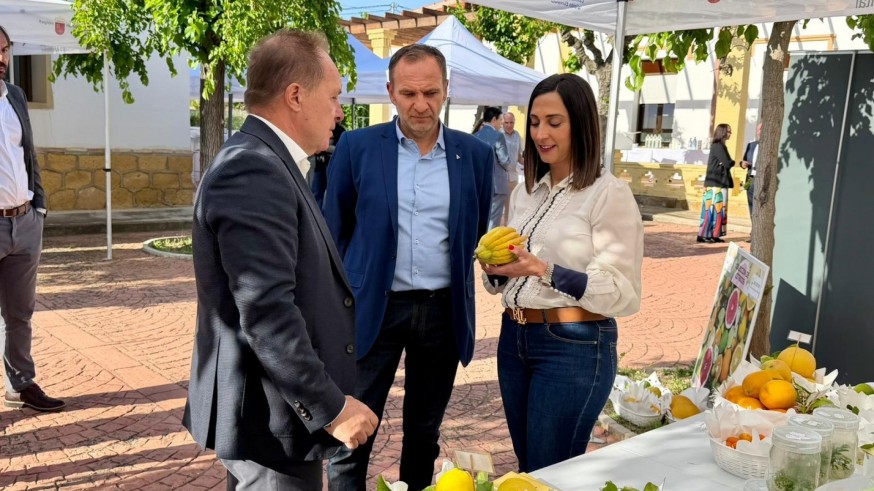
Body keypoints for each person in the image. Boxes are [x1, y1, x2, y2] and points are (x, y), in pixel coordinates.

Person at [182, 30, 378, 490]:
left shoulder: (268, 160)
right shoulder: (253, 168)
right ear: (295, 96)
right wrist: (330, 406)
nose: (340, 111)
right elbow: (267, 312)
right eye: (332, 96)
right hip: (271, 420)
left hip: (276, 416)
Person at [322, 44, 493, 490]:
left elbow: (473, 231)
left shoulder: (473, 155)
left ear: (446, 91)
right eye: (409, 93)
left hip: (441, 312)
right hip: (372, 310)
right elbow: (332, 232)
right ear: (391, 93)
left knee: (423, 434)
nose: (421, 104)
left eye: (431, 92)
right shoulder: (357, 148)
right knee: (351, 434)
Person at [480, 73, 643, 473]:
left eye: (555, 122)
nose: (540, 133)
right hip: (514, 338)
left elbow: (621, 292)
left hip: (572, 345)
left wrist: (543, 268)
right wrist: (496, 269)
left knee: (549, 472)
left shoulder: (608, 193)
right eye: (534, 121)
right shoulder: (526, 192)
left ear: (581, 123)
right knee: (531, 470)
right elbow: (513, 273)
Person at [0, 25, 65, 413]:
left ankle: (20, 383)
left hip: (24, 223)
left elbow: (29, 157)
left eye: (5, 49)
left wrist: (38, 206)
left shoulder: (17, 97)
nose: (2, 58)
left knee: (19, 314)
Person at [697, 123, 735, 243]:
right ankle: (704, 234)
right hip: (715, 183)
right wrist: (731, 162)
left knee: (719, 209)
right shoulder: (718, 146)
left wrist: (726, 163)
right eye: (728, 131)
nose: (730, 134)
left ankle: (714, 233)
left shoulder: (720, 146)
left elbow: (725, 163)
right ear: (722, 132)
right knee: (712, 208)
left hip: (718, 182)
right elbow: (728, 163)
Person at [474, 106, 511, 230]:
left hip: (478, 184)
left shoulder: (474, 136)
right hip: (496, 184)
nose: (501, 123)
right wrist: (507, 166)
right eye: (501, 120)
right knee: (493, 221)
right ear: (494, 119)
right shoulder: (498, 137)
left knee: (479, 218)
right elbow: (504, 160)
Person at [501, 112, 524, 224]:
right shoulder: (498, 135)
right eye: (506, 122)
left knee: (510, 208)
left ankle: (507, 232)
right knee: (496, 209)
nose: (509, 125)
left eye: (511, 122)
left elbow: (519, 157)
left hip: (513, 178)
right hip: (499, 177)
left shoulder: (517, 136)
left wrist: (530, 165)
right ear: (502, 122)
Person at [740, 121, 761, 218]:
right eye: (757, 129)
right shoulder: (751, 145)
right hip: (750, 178)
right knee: (751, 204)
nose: (758, 132)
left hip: (761, 178)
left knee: (760, 205)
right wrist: (743, 164)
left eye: (761, 129)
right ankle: (754, 228)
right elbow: (743, 161)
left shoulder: (768, 147)